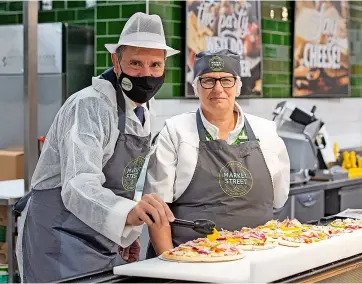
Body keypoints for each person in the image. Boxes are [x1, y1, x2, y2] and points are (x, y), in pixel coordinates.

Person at [14, 12, 179, 283]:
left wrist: (125, 230)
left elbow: (119, 184)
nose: (146, 75)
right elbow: (79, 184)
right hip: (59, 239)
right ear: (116, 62)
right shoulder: (90, 106)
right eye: (135, 63)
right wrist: (127, 212)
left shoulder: (144, 111)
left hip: (99, 240)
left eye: (155, 65)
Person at [143, 49, 290, 257]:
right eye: (208, 80)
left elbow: (279, 199)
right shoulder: (175, 132)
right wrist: (170, 264)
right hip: (191, 261)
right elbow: (156, 211)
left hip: (257, 259)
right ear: (196, 87)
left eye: (226, 80)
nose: (218, 88)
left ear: (238, 86)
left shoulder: (266, 133)